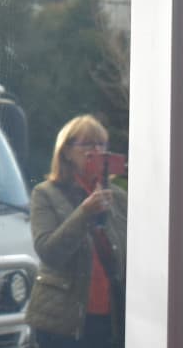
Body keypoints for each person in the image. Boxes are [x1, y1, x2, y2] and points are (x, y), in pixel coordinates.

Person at [25, 115, 127, 347]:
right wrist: (84, 212)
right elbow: (49, 251)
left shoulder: (118, 198)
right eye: (88, 144)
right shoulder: (46, 193)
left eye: (102, 144)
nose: (96, 151)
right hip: (61, 319)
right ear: (67, 152)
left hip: (109, 316)